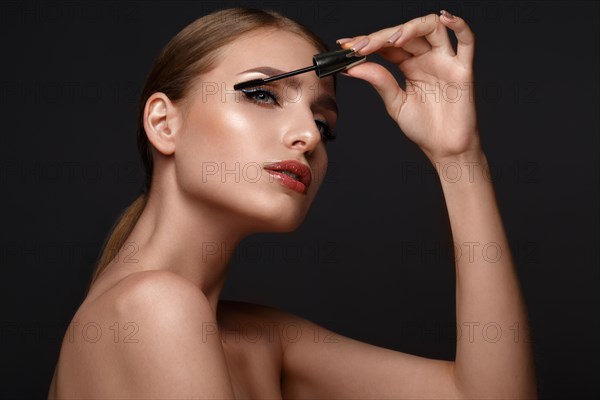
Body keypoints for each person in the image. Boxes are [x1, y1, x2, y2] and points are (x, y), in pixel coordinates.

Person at [48, 7, 537, 399]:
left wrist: (458, 157)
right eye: (262, 94)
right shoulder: (153, 307)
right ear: (164, 123)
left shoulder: (261, 338)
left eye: (323, 123)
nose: (307, 136)